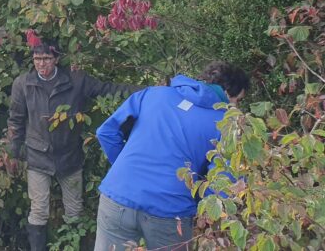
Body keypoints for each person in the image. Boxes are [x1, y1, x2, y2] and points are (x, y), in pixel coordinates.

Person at [93, 62, 249, 250]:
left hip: (117, 194)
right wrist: (207, 212)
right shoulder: (226, 123)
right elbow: (222, 183)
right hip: (170, 209)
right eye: (238, 100)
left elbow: (106, 132)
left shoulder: (153, 94)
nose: (237, 107)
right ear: (227, 92)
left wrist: (125, 171)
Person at [7, 36, 139, 250]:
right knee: (38, 210)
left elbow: (107, 89)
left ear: (56, 59)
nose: (41, 63)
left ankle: (72, 246)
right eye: (37, 58)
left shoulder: (76, 80)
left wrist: (143, 91)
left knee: (74, 211)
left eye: (46, 58)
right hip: (37, 156)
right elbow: (15, 120)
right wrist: (15, 150)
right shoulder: (23, 83)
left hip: (70, 155)